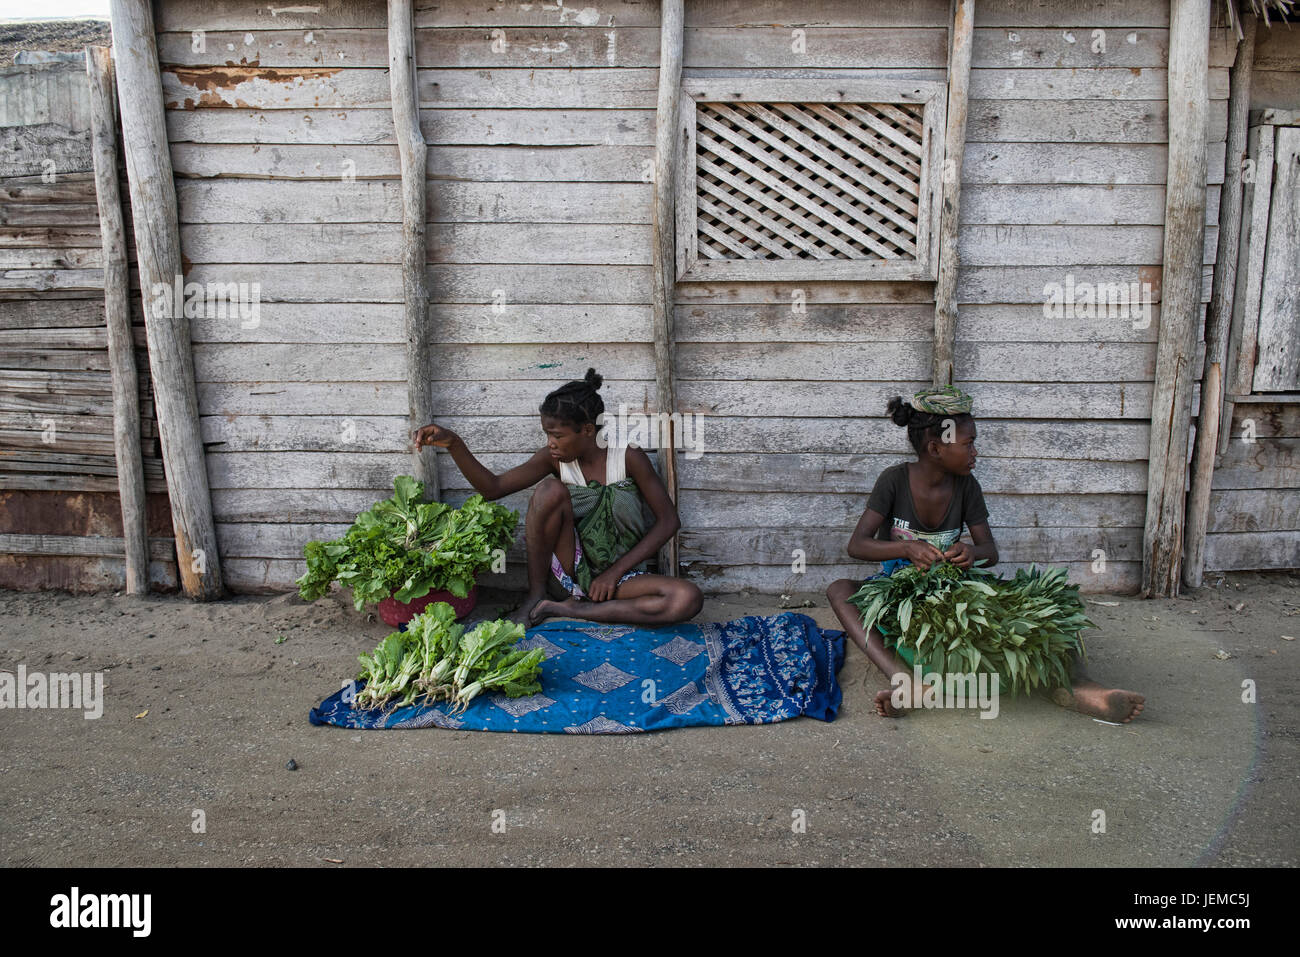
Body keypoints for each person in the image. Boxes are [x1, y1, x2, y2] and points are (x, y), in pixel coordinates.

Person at [825, 386, 1145, 723]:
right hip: (899, 592)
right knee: (840, 590)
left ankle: (1081, 686)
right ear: (935, 448)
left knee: (1050, 603)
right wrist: (905, 548)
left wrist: (971, 552)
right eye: (968, 444)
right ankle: (905, 679)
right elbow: (857, 545)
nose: (976, 452)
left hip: (959, 591)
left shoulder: (967, 487)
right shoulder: (893, 482)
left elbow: (990, 552)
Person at [411, 368, 703, 628]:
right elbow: (493, 488)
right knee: (549, 490)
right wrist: (453, 443)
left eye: (557, 435)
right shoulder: (554, 460)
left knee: (687, 599)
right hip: (570, 575)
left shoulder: (628, 458)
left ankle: (578, 612)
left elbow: (668, 521)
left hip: (621, 577)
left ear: (588, 430)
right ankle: (537, 596)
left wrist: (613, 573)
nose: (550, 443)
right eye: (547, 434)